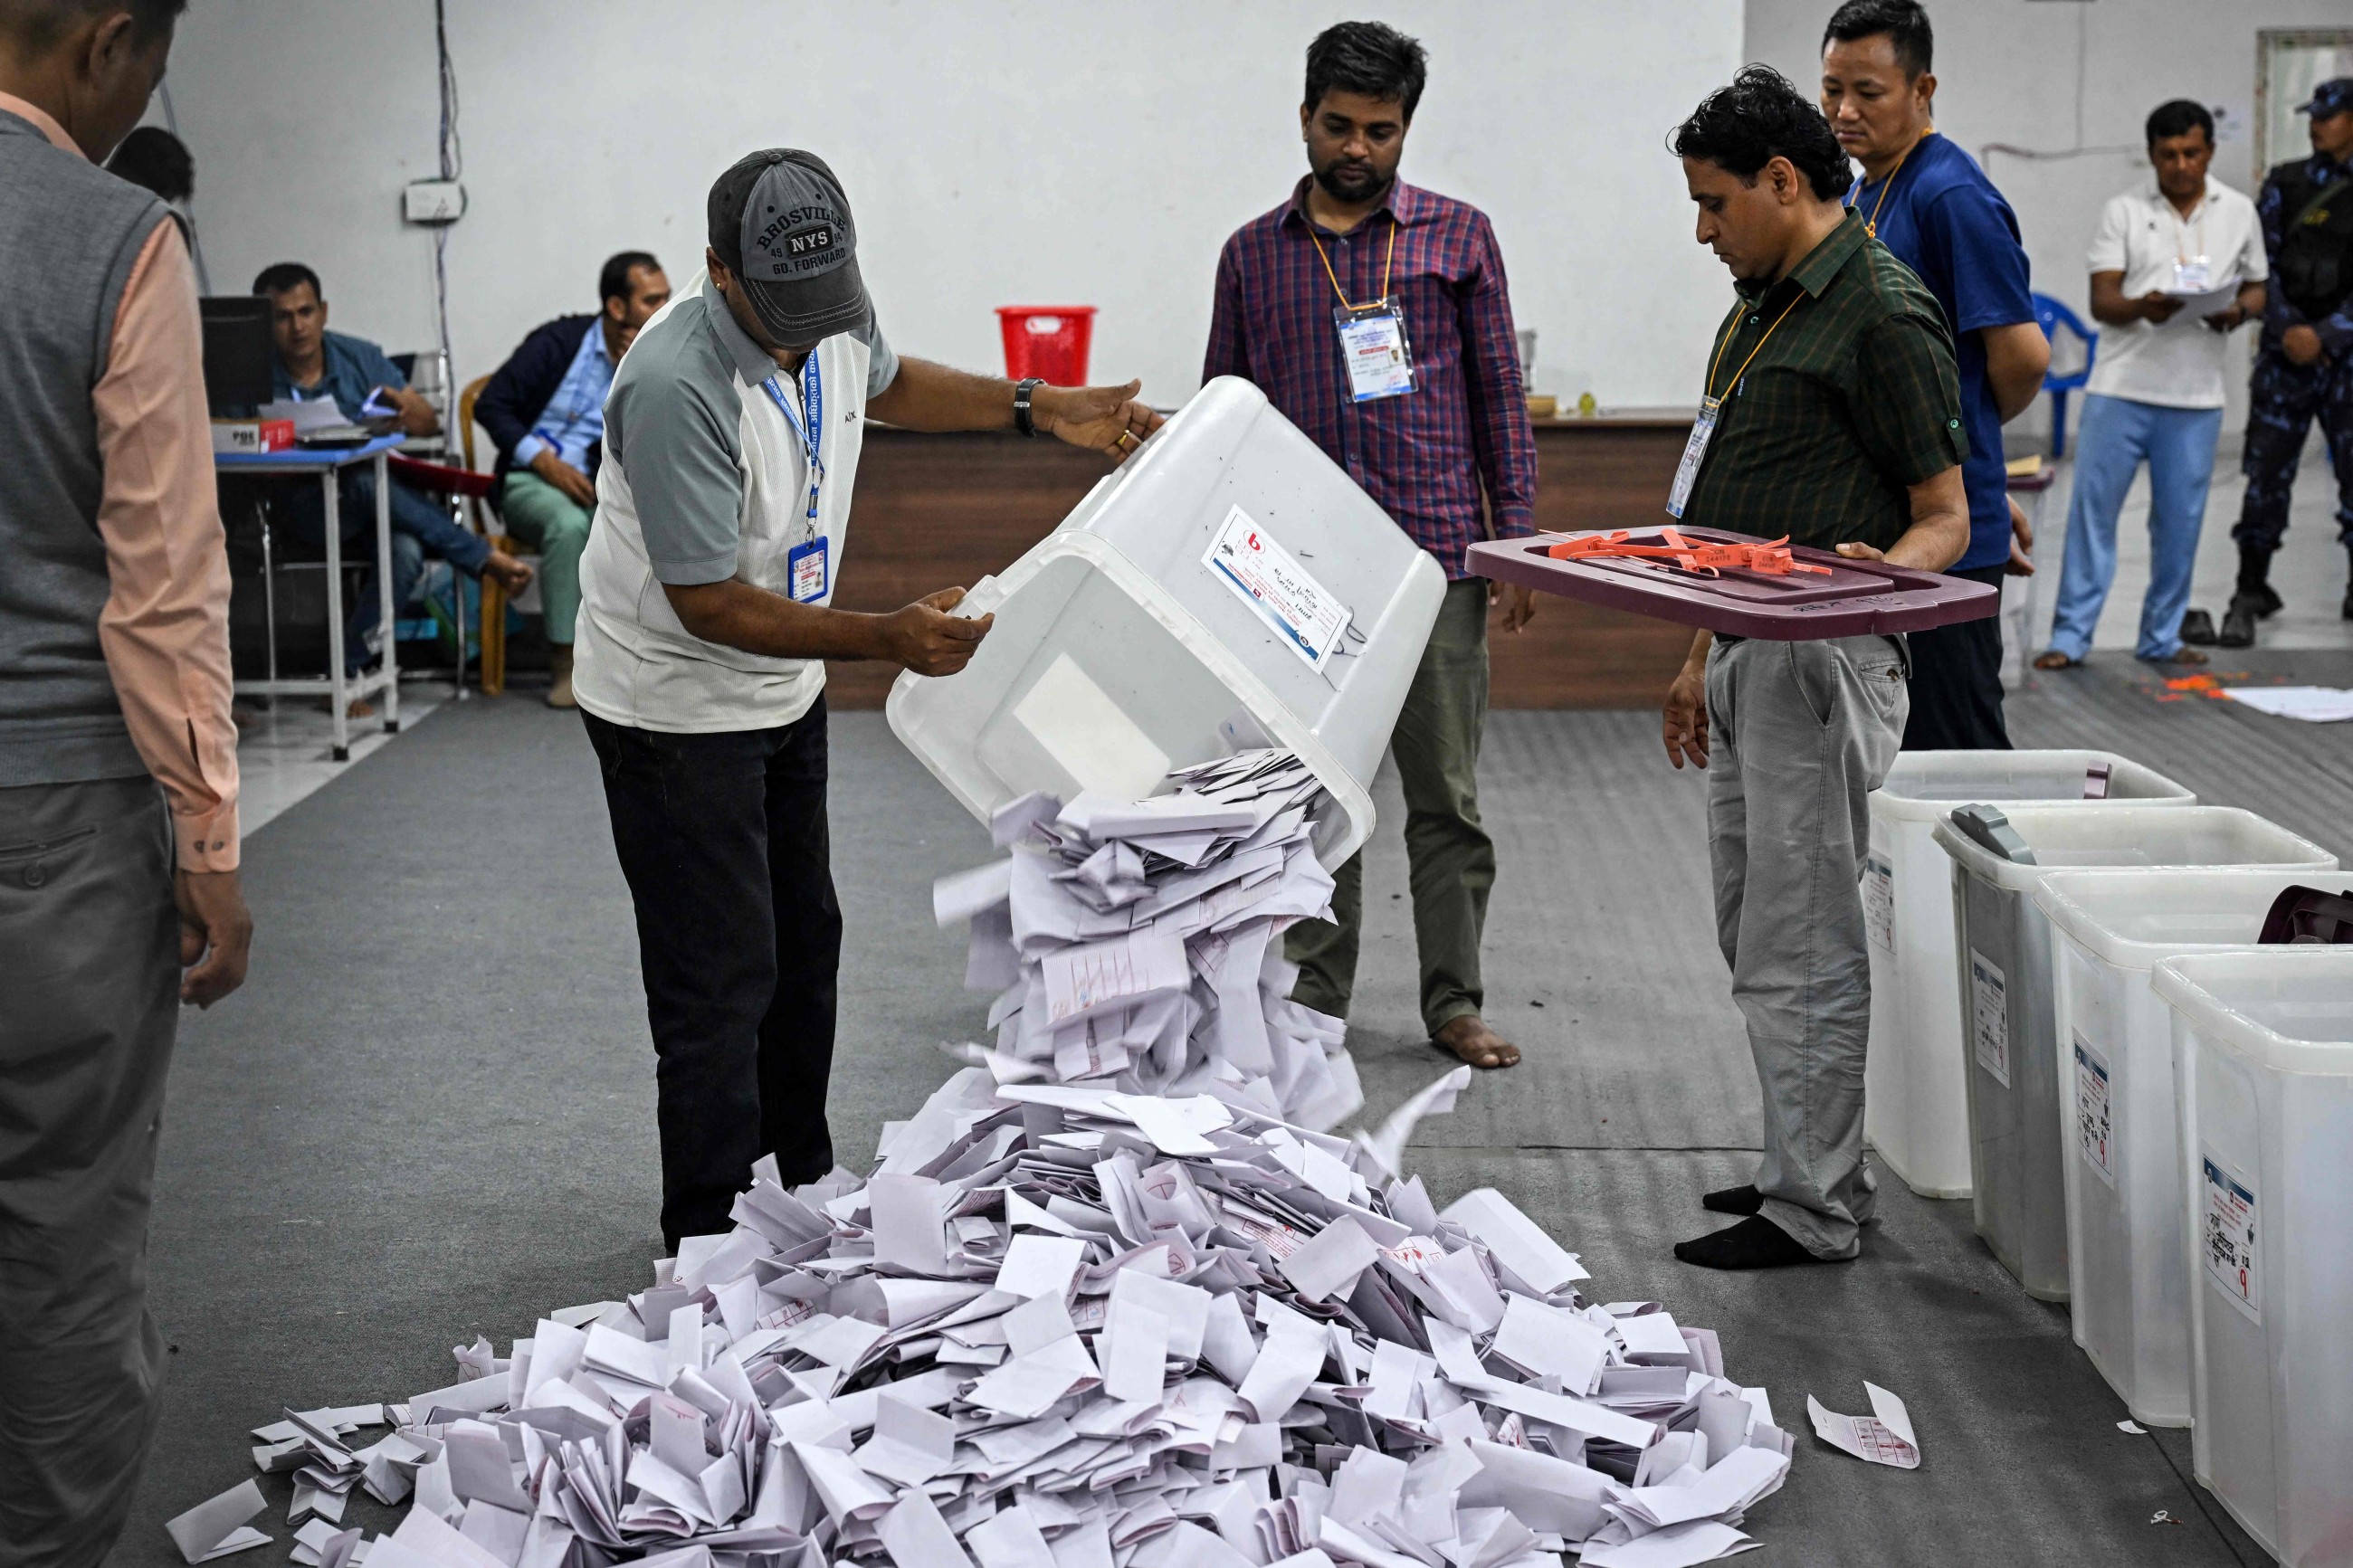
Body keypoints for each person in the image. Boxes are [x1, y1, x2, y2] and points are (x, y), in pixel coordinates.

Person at [575, 148, 1162, 1250]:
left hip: (779, 687)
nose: (807, 335)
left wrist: (1039, 406)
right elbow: (705, 602)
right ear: (718, 270)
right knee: (719, 976)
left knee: (805, 945)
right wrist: (883, 637)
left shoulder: (821, 302)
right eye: (782, 316)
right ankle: (708, 1239)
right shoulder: (671, 386)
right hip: (672, 708)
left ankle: (797, 1189)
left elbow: (884, 382)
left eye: (823, 308)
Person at [1, 0, 254, 1558]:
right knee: (60, 1225)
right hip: (49, 815)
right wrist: (208, 840)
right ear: (107, 43)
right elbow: (163, 584)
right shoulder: (115, 241)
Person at [1659, 66, 1970, 1269]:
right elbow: (1730, 506)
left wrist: (1878, 573)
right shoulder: (1762, 304)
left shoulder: (1881, 310)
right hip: (1746, 647)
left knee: (1804, 937)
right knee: (1756, 928)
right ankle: (1804, 1159)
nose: (1703, 230)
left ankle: (1818, 1204)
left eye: (1715, 202)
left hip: (1821, 660)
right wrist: (1698, 651)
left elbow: (1945, 516)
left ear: (1782, 180)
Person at [1204, 20, 1538, 1072]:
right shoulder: (1251, 255)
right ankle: (1312, 1000)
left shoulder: (1457, 238)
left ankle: (1454, 1001)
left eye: (1379, 131)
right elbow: (1224, 413)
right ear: (1304, 117)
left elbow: (1498, 394)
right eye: (1338, 125)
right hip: (1298, 577)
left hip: (1434, 563)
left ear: (1404, 129)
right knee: (1313, 796)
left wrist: (1515, 537)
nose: (1356, 148)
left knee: (1446, 798)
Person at [1820, 0, 2046, 749]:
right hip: (1897, 523)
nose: (1845, 111)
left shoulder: (1950, 196)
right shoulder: (1864, 189)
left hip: (1949, 540)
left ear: (1923, 91)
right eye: (1832, 90)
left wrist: (1969, 454)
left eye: (1868, 93)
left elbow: (2021, 359)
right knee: (1897, 756)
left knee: (1959, 758)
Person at [2035, 101, 2265, 670]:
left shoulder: (2239, 211)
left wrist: (2236, 312)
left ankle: (2161, 636)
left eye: (2192, 153)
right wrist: (2145, 307)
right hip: (2120, 389)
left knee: (2179, 525)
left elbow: (2258, 286)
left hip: (2196, 397)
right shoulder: (2125, 211)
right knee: (2093, 518)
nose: (2181, 165)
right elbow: (2103, 299)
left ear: (2209, 151)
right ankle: (2070, 637)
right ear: (2152, 155)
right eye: (2168, 155)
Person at [252, 261, 532, 696]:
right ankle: (481, 557)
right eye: (282, 317)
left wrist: (404, 407)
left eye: (305, 312)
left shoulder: (359, 357)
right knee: (364, 481)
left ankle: (347, 671)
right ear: (264, 323)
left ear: (323, 312)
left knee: (405, 550)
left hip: (373, 510)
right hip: (297, 510)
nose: (298, 327)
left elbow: (426, 424)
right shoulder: (250, 370)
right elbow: (224, 434)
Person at [476, 251, 670, 708]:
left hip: (600, 483)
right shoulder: (558, 342)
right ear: (616, 307)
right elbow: (491, 404)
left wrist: (636, 371)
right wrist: (544, 462)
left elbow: (652, 439)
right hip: (529, 479)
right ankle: (567, 663)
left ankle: (643, 662)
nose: (665, 310)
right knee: (569, 525)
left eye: (666, 298)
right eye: (652, 300)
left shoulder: (656, 355)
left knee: (655, 522)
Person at [2216, 77, 2353, 648]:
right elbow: (2258, 266)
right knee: (2266, 475)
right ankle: (2251, 586)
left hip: (2346, 360)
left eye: (2329, 115)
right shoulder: (2285, 183)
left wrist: (2326, 334)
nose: (2316, 125)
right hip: (2285, 358)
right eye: (2312, 115)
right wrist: (2291, 330)